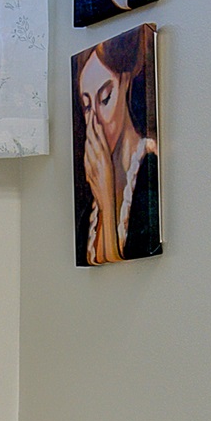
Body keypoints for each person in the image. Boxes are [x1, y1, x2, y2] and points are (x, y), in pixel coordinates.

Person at [73, 32, 160, 264]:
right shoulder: (86, 216)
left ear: (125, 82)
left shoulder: (149, 173)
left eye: (105, 98)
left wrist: (107, 201)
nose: (96, 122)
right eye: (87, 106)